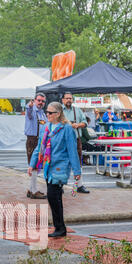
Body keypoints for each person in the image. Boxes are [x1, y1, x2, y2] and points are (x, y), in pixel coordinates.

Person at [28, 102, 81, 238]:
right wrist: (32, 164)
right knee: (55, 197)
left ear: (58, 114)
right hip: (48, 166)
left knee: (52, 196)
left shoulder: (67, 129)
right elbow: (40, 147)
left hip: (60, 167)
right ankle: (60, 227)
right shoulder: (46, 127)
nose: (47, 115)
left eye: (50, 113)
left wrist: (77, 171)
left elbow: (72, 150)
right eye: (47, 112)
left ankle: (60, 227)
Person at [62, 91, 90, 193]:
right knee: (62, 163)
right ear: (63, 100)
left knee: (78, 162)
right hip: (63, 141)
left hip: (76, 140)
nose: (69, 100)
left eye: (70, 98)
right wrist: (68, 124)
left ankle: (79, 185)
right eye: (67, 98)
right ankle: (60, 185)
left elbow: (85, 122)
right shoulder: (59, 110)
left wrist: (78, 125)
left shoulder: (77, 110)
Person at [24, 93, 47, 199]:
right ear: (34, 100)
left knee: (37, 166)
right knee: (33, 166)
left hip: (41, 140)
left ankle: (31, 189)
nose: (41, 103)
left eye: (43, 101)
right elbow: (28, 111)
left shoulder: (43, 113)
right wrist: (29, 106)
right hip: (32, 139)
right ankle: (33, 191)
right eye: (39, 100)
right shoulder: (31, 110)